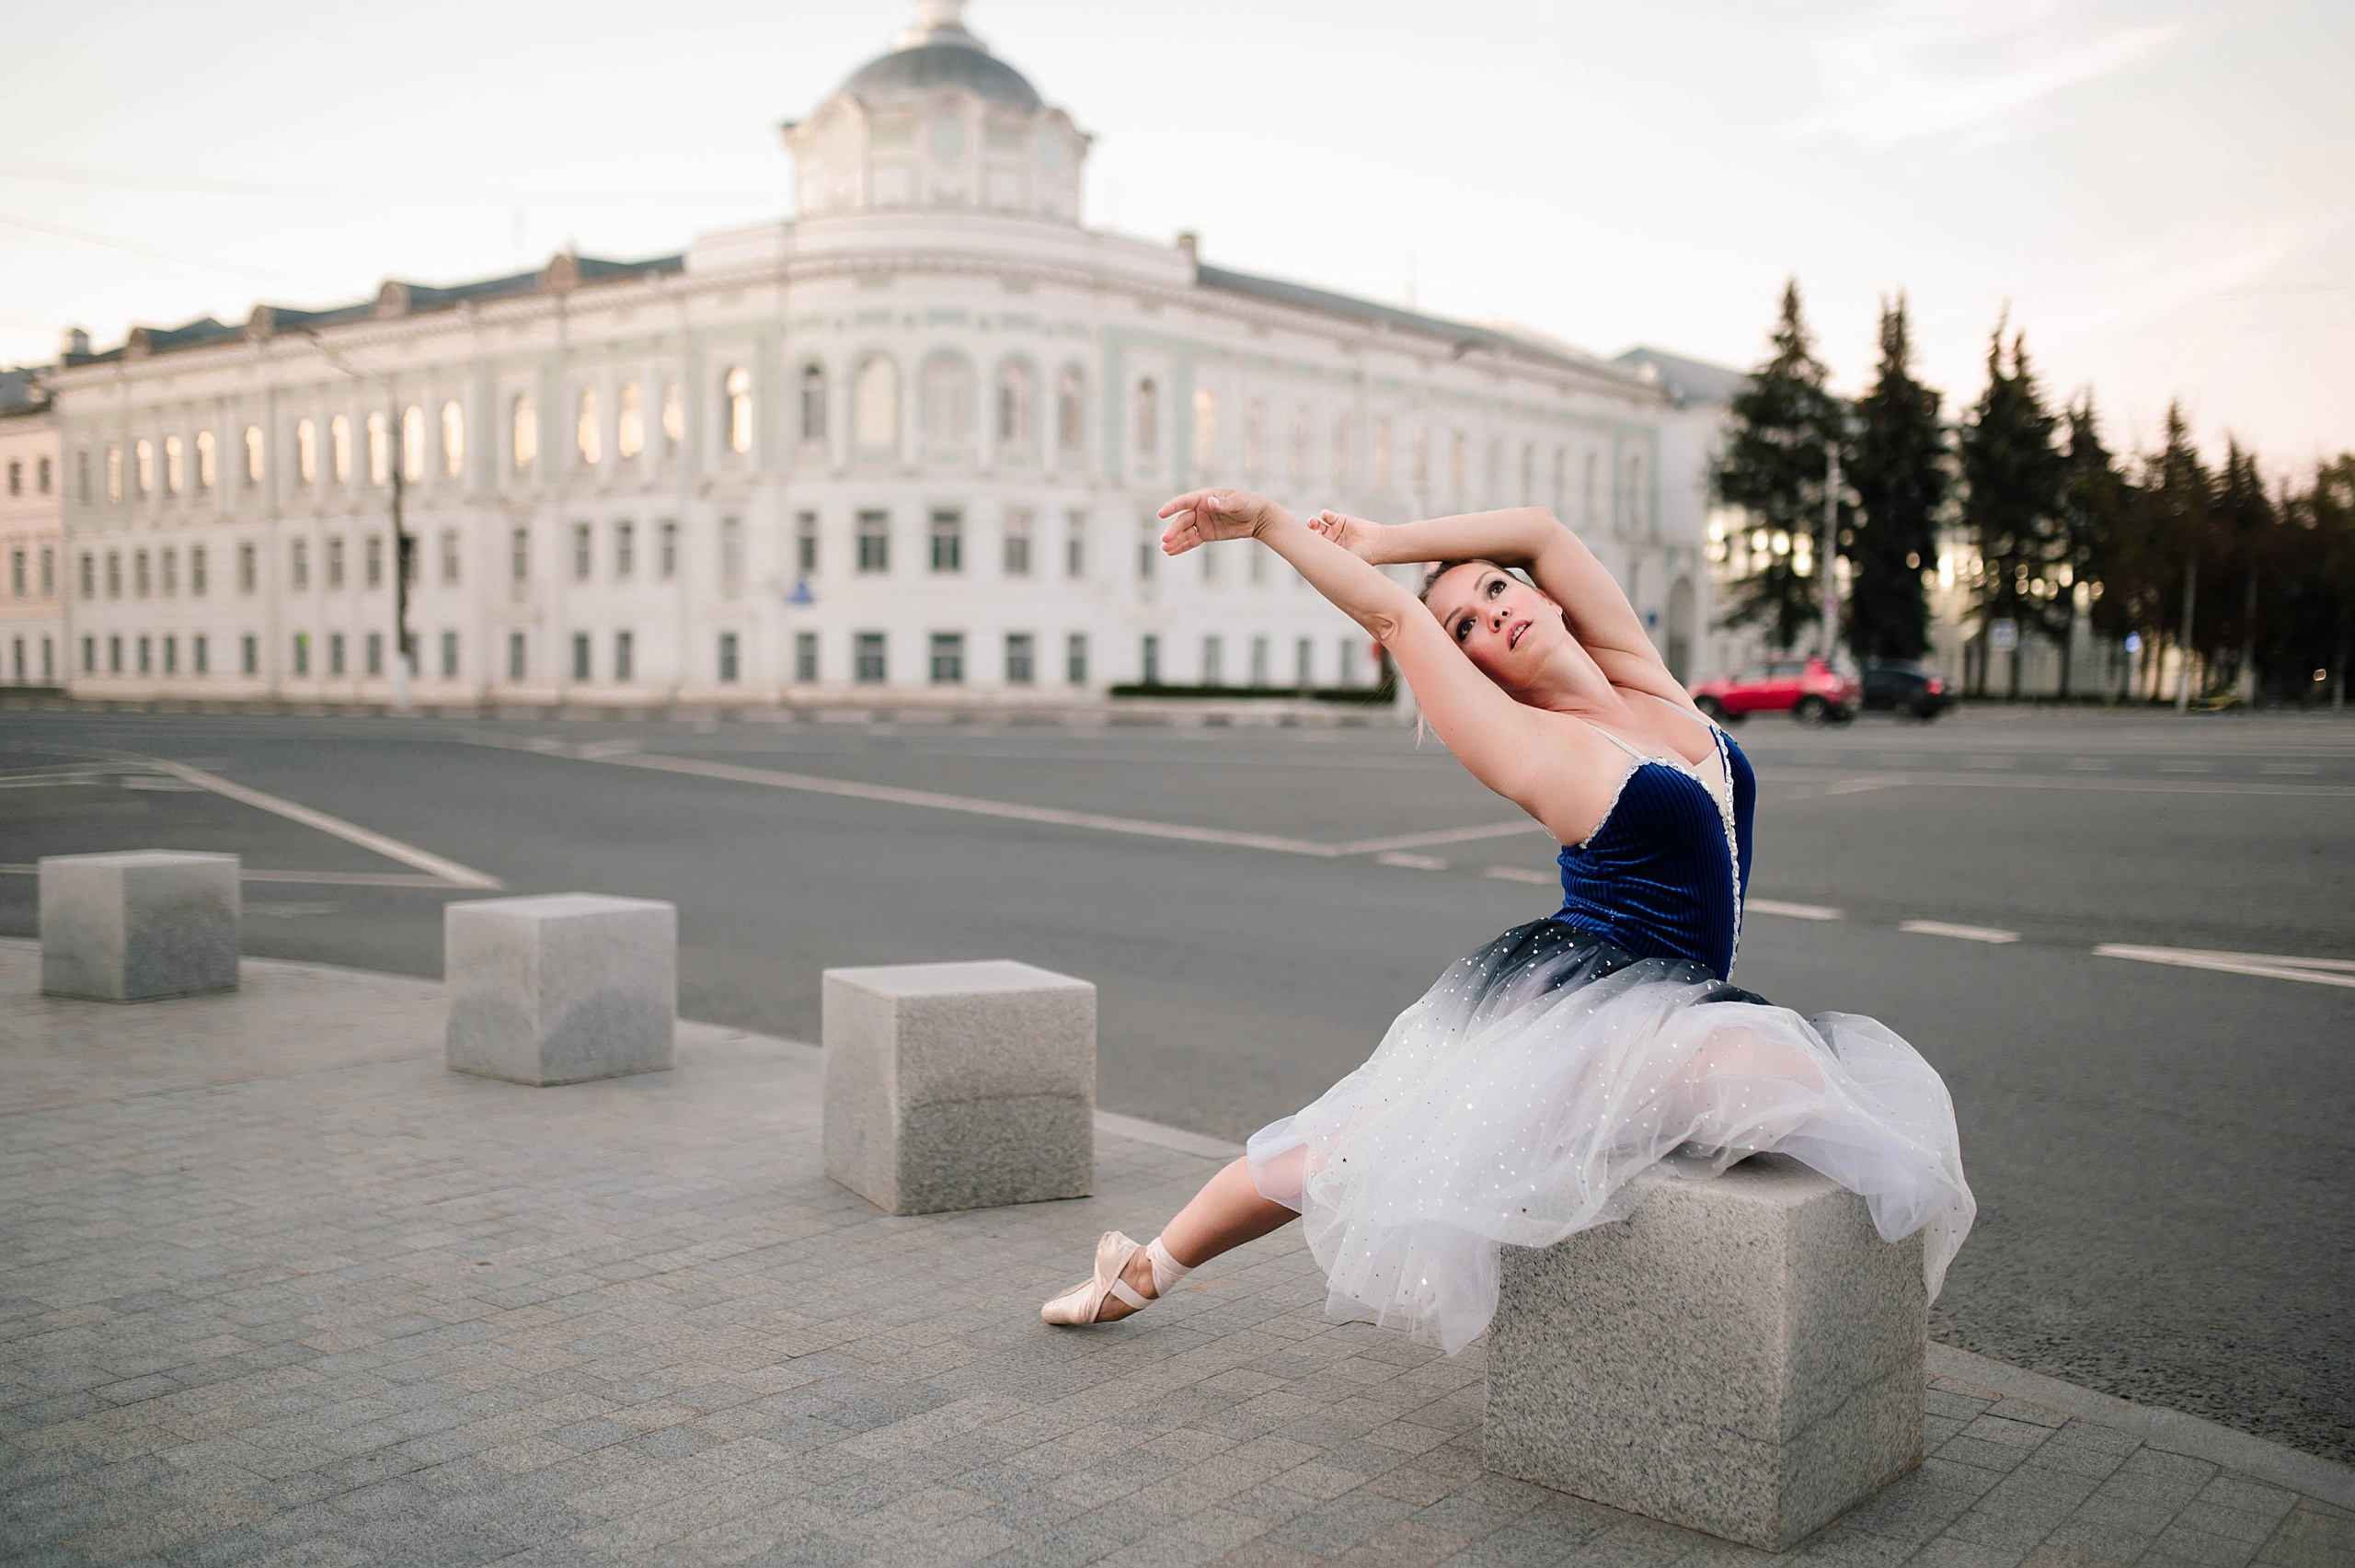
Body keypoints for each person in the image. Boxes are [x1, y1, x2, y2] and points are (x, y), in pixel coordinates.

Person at [1041, 492, 1974, 1353]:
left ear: (1545, 597)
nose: (1495, 614)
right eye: (1468, 628)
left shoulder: (1647, 685)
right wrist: (1270, 522)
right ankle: (1147, 1266)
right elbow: (1392, 617)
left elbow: (1538, 530)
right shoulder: (1534, 744)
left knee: (1369, 1136)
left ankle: (1145, 1263)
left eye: (1496, 591)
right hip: (1598, 1008)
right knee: (1350, 1145)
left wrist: (1384, 539)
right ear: (1470, 663)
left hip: (1674, 1004)